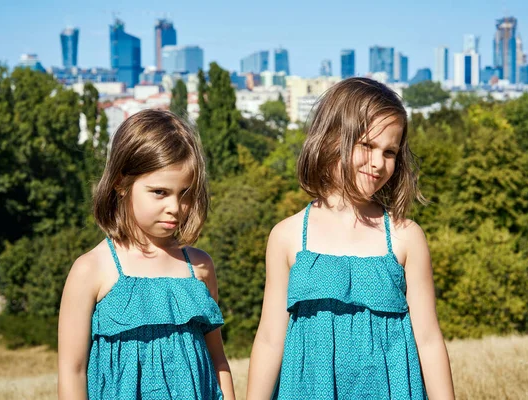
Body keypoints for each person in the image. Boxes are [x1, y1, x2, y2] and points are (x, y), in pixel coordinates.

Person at [247, 78, 454, 399]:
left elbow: (428, 339)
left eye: (389, 152)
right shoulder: (286, 237)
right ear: (331, 139)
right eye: (367, 146)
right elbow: (270, 339)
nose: (378, 163)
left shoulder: (405, 237)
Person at [58, 109, 235, 399]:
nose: (175, 208)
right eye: (160, 192)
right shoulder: (91, 269)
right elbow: (72, 371)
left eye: (185, 193)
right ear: (120, 183)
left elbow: (218, 360)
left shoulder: (199, 267)